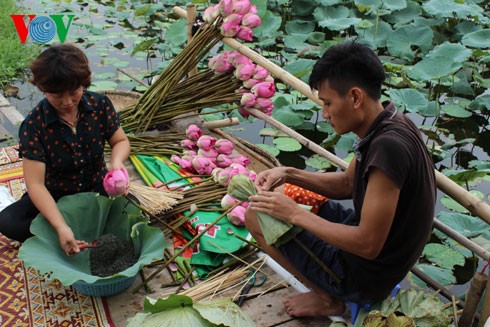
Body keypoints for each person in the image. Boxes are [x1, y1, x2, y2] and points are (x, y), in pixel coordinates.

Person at [245, 40, 436, 317]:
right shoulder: (389, 120)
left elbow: (368, 245)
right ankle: (323, 281)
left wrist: (296, 215)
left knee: (255, 217)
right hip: (372, 248)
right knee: (286, 193)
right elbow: (347, 184)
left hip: (366, 275)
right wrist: (288, 173)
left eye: (328, 103)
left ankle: (328, 299)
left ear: (355, 97)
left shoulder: (388, 148)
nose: (325, 114)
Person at [0, 44, 130, 256]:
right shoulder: (34, 125)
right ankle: (65, 230)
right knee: (9, 223)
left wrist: (116, 165)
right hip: (56, 195)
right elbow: (36, 185)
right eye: (57, 95)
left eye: (74, 92)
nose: (67, 102)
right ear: (43, 90)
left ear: (83, 84)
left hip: (96, 188)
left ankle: (69, 231)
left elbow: (120, 141)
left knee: (134, 209)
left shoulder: (100, 105)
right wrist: (60, 225)